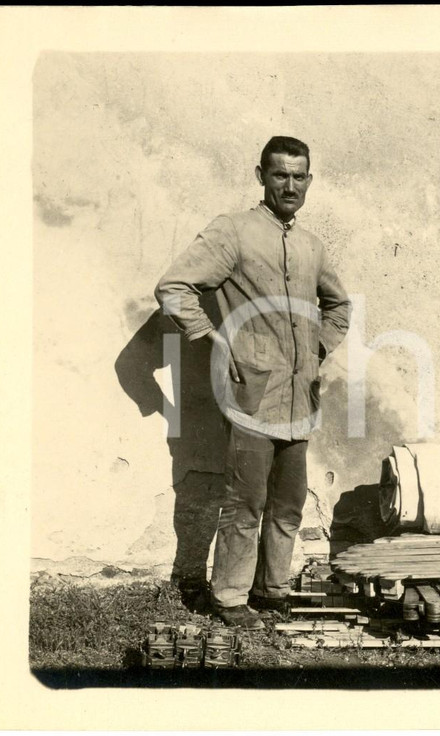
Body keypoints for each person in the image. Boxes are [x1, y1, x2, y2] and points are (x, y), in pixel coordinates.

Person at [155, 136, 352, 629]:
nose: (290, 185)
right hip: (249, 397)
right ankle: (230, 599)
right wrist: (215, 341)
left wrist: (317, 350)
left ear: (310, 181)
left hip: (300, 397)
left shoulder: (311, 246)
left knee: (287, 504)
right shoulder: (233, 232)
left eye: (299, 176)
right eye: (280, 174)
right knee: (245, 501)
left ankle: (273, 590)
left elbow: (339, 306)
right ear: (260, 175)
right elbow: (174, 288)